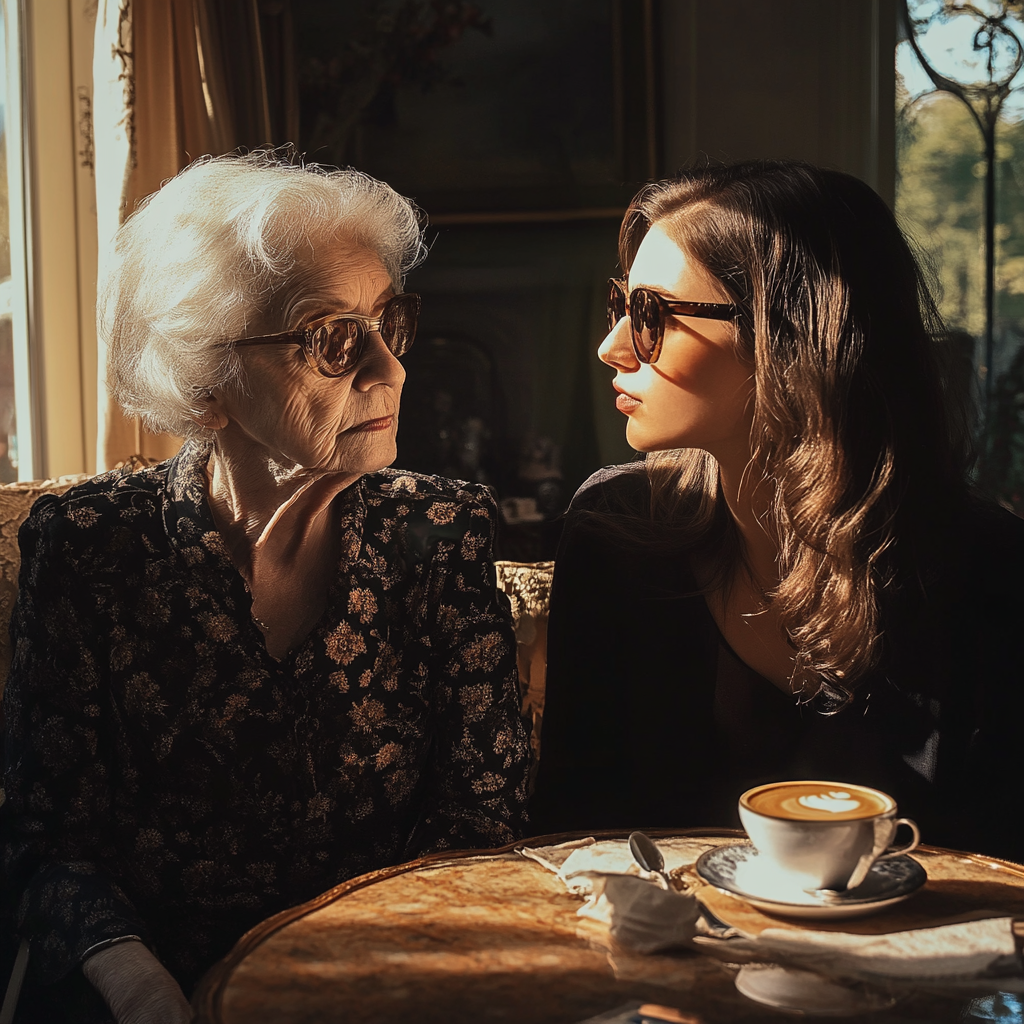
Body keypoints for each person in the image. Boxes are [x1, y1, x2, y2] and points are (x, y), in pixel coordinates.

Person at [2, 154, 530, 1024]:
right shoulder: (90, 551)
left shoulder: (441, 534)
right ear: (208, 382)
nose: (390, 370)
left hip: (386, 982)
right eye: (330, 338)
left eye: (389, 319)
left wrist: (365, 980)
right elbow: (49, 841)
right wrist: (141, 990)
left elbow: (480, 816)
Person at [530, 160, 1024, 863]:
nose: (610, 347)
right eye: (621, 307)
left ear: (788, 339)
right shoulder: (618, 534)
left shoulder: (987, 571)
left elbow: (1002, 865)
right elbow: (569, 831)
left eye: (650, 317)